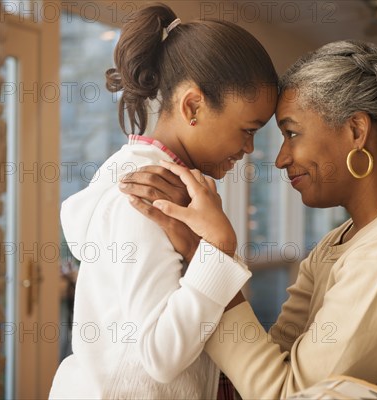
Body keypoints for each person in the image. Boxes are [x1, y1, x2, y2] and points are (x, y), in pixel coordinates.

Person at [121, 40, 377, 399]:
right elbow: (271, 364)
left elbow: (290, 394)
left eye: (292, 133)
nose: (280, 158)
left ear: (355, 131)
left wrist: (208, 254)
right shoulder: (338, 243)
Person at [49, 3, 277, 399]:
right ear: (193, 105)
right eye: (247, 129)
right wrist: (220, 249)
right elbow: (161, 354)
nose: (250, 148)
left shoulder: (178, 188)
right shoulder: (144, 196)